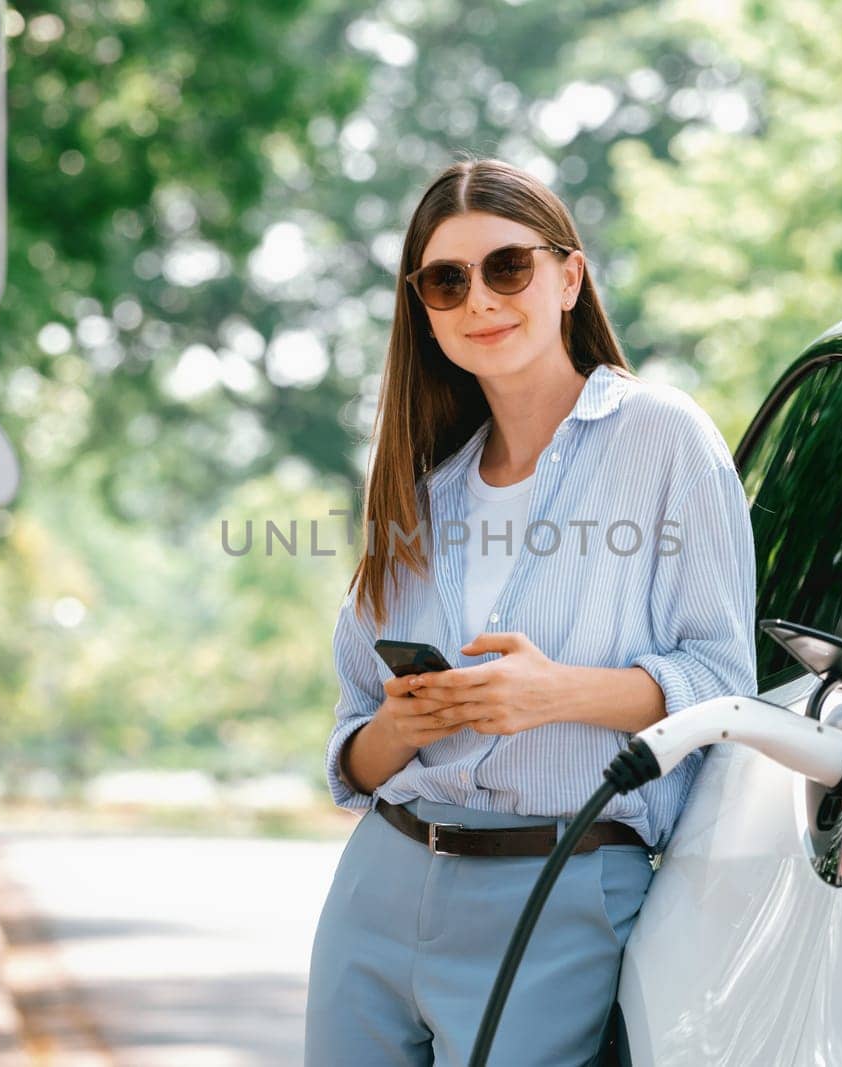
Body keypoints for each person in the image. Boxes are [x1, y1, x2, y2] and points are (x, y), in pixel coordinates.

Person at [303, 156, 757, 1067]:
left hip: (562, 884)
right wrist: (398, 727)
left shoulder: (662, 438)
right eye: (446, 280)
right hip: (380, 886)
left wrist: (554, 694)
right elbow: (354, 747)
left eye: (507, 266)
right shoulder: (421, 492)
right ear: (423, 310)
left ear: (568, 276)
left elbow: (725, 686)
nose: (481, 299)